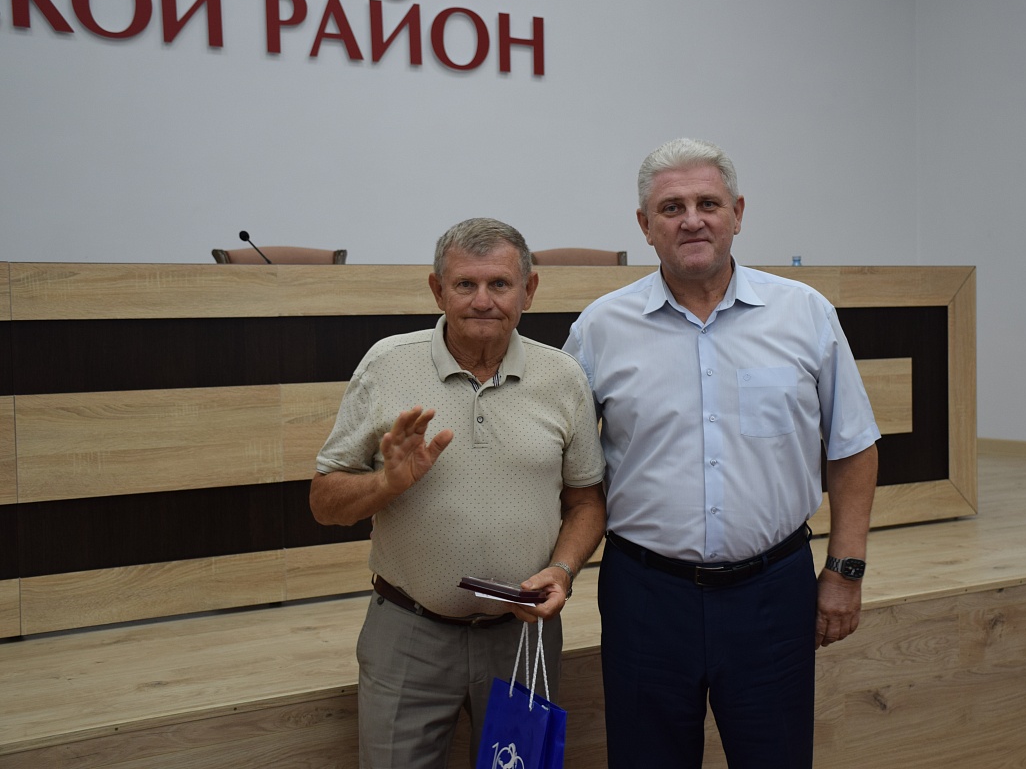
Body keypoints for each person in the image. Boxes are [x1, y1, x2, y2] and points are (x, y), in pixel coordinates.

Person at [563, 138, 880, 769]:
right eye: (671, 207)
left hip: (773, 595)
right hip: (645, 597)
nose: (692, 220)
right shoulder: (600, 328)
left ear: (737, 212)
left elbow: (852, 445)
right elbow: (568, 463)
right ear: (644, 225)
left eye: (708, 203)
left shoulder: (804, 313)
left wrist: (845, 571)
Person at [311, 217, 606, 769]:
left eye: (499, 284)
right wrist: (387, 483)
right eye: (465, 284)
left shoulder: (563, 377)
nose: (482, 300)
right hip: (409, 635)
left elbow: (587, 502)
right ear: (437, 290)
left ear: (528, 291)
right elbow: (324, 502)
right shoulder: (386, 364)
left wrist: (563, 570)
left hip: (524, 639)